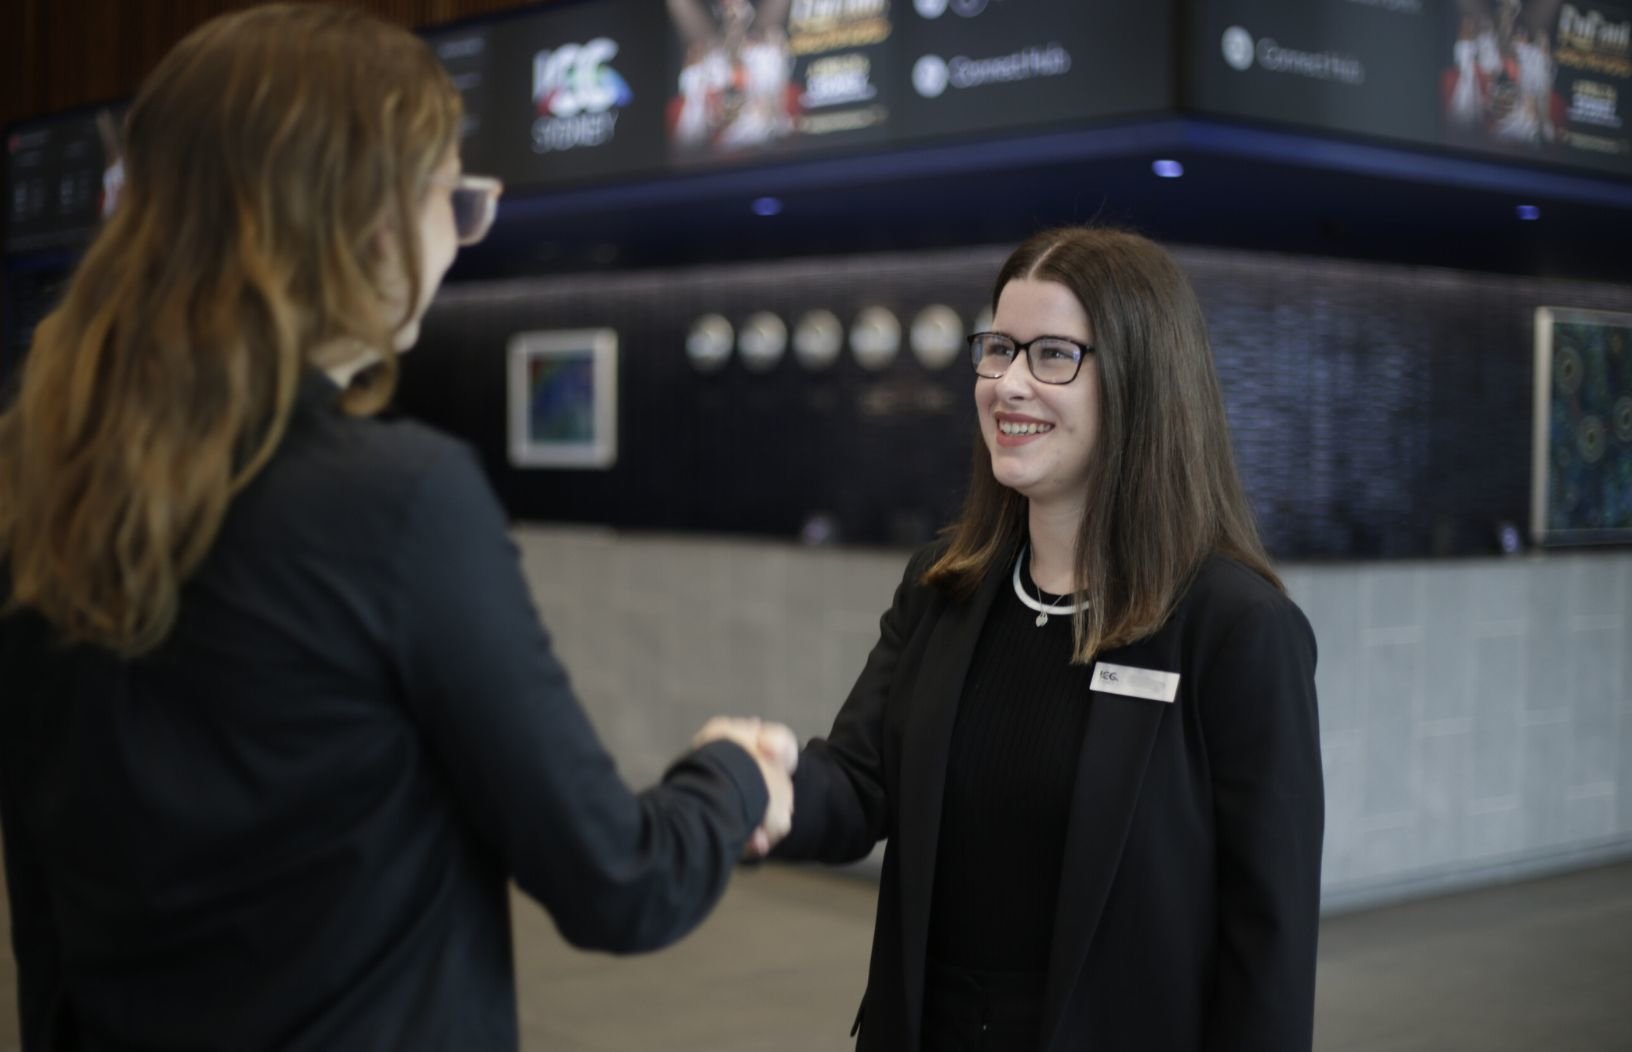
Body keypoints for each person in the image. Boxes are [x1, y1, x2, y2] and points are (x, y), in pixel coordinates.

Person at [0, 6, 794, 1050]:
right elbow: (619, 880)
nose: (462, 233)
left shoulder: (36, 478)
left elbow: (42, 899)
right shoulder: (399, 498)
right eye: (456, 199)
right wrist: (734, 774)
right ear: (367, 223)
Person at [772, 227, 1324, 1050]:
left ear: (1143, 380)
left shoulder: (1236, 631)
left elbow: (1267, 945)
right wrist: (761, 789)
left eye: (1053, 355)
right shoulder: (944, 587)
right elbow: (858, 782)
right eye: (998, 349)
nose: (1008, 385)